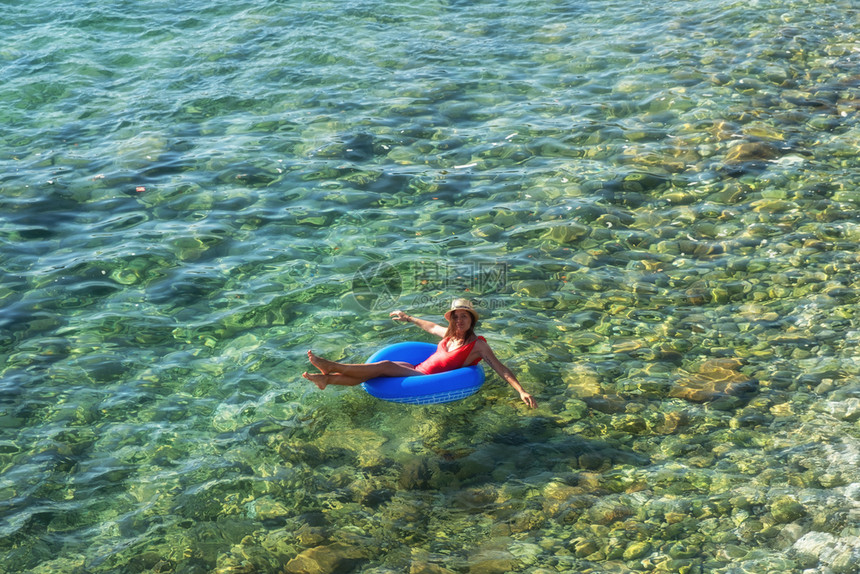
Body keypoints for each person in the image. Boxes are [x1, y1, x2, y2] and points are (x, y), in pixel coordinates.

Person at [304, 299, 538, 408]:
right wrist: (408, 318)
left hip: (425, 379)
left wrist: (521, 390)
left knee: (383, 365)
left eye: (463, 316)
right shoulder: (450, 334)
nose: (459, 320)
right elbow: (430, 326)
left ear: (471, 319)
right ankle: (326, 379)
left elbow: (501, 368)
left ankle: (331, 365)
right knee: (373, 373)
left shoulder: (478, 345)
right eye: (455, 316)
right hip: (415, 369)